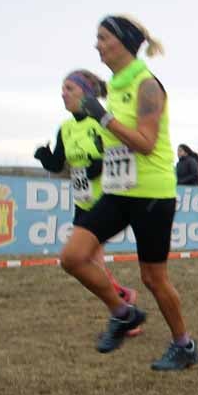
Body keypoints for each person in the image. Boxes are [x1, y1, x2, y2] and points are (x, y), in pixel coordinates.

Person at [60, 14, 198, 371]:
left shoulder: (147, 85)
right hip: (118, 190)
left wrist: (103, 117)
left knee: (154, 278)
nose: (97, 45)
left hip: (151, 192)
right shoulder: (114, 84)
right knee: (73, 258)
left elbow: (146, 143)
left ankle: (184, 345)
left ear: (122, 42)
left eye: (103, 37)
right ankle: (123, 313)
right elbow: (105, 133)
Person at [35, 69, 140, 317]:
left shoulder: (101, 122)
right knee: (88, 261)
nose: (63, 94)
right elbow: (59, 164)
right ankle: (123, 299)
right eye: (62, 89)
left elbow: (124, 153)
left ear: (87, 92)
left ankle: (124, 310)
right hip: (83, 201)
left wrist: (100, 165)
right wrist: (44, 157)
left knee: (88, 260)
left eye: (69, 88)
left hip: (107, 200)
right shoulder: (65, 128)